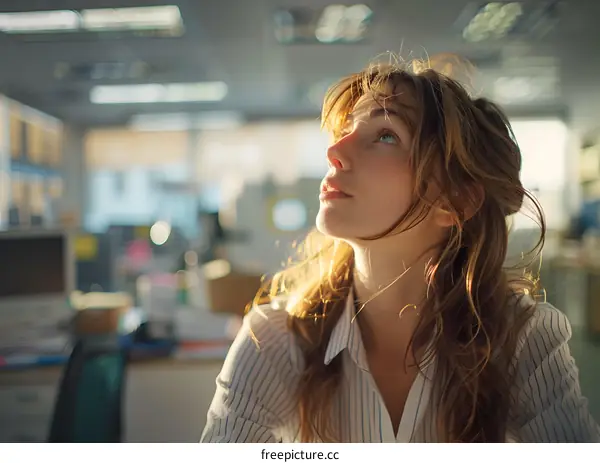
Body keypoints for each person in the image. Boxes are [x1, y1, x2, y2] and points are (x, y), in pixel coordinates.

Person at [200, 56, 600, 443]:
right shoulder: (272, 340)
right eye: (346, 131)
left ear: (454, 202)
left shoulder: (523, 339)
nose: (334, 152)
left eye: (385, 135)